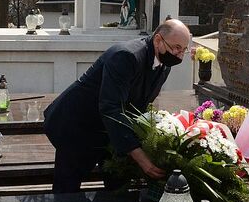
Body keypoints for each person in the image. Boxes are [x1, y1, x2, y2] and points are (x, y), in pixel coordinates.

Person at [44, 18, 192, 193]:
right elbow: (111, 107)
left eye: (184, 50)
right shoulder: (126, 56)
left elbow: (140, 105)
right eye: (176, 48)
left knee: (117, 187)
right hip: (76, 125)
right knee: (67, 191)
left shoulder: (164, 64)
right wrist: (140, 157)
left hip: (110, 131)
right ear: (158, 40)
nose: (179, 56)